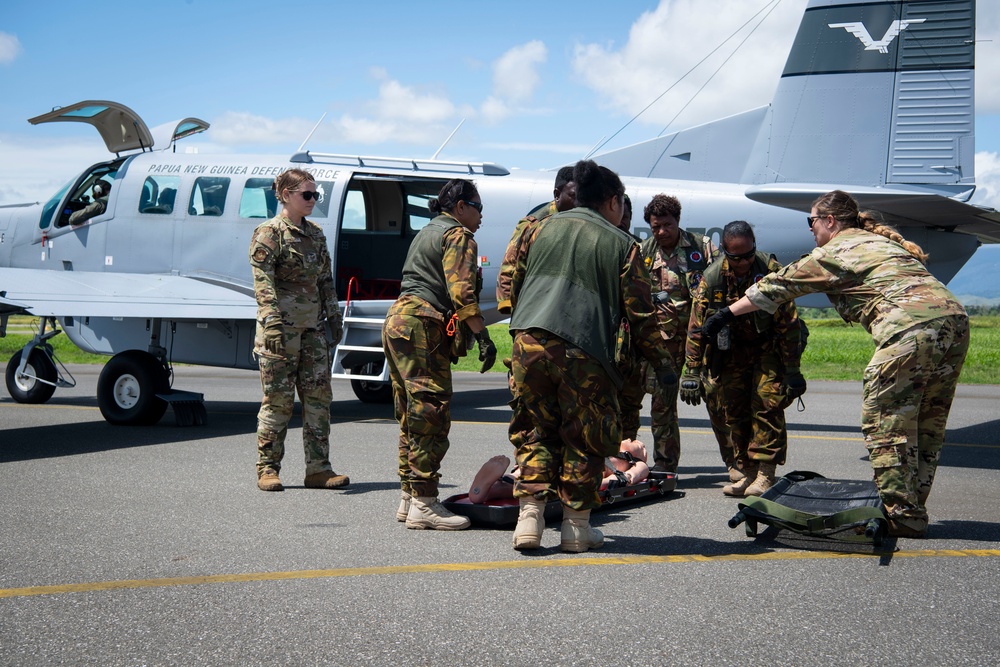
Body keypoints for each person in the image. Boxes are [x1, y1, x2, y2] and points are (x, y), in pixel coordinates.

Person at [700, 190, 969, 538]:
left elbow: (779, 285)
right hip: (954, 321)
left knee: (883, 421)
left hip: (910, 326)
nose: (810, 229)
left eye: (811, 221)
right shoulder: (875, 241)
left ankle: (903, 515)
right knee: (926, 422)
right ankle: (910, 507)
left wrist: (724, 314)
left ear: (829, 221)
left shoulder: (836, 249)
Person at [506, 159, 677, 552]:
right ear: (613, 201)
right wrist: (663, 364)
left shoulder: (538, 228)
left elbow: (514, 285)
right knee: (584, 438)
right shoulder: (622, 244)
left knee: (535, 430)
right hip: (583, 351)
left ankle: (528, 521)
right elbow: (640, 314)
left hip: (527, 343)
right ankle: (576, 530)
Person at [383, 178, 496, 531]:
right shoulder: (458, 235)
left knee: (410, 414)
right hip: (422, 324)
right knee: (431, 412)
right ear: (460, 206)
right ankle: (425, 502)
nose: (481, 215)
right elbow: (462, 292)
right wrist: (483, 335)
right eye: (477, 206)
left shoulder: (428, 231)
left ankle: (409, 496)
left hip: (398, 320)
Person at [682, 221, 806, 496]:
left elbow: (789, 324)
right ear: (725, 252)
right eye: (736, 257)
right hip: (731, 352)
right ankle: (747, 472)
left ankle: (765, 474)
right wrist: (691, 371)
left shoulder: (770, 270)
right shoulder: (712, 278)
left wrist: (792, 369)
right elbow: (696, 327)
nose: (744, 262)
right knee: (734, 410)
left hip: (768, 348)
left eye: (749, 255)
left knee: (766, 403)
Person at [248, 169, 348, 492]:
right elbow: (263, 284)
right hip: (280, 333)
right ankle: (267, 469)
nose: (312, 200)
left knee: (319, 398)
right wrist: (272, 323)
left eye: (315, 195)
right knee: (278, 401)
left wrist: (334, 319)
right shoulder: (269, 234)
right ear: (286, 195)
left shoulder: (316, 235)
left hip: (313, 332)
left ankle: (318, 469)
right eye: (306, 195)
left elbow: (325, 281)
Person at [634, 194, 717, 474]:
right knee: (662, 405)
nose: (661, 232)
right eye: (655, 226)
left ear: (678, 221)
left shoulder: (700, 247)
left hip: (702, 339)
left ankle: (739, 464)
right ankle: (665, 464)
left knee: (719, 399)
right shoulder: (643, 252)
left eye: (667, 225)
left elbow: (720, 284)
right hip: (663, 343)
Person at [496, 165, 576, 314]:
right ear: (557, 194)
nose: (578, 202)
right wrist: (509, 305)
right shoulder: (532, 224)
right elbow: (509, 265)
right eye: (573, 196)